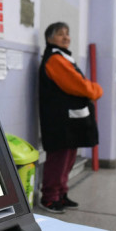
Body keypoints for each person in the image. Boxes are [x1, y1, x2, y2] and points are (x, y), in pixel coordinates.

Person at [38, 22, 103, 214]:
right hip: (59, 121)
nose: (66, 37)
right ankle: (49, 198)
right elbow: (81, 87)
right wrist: (96, 89)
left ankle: (61, 194)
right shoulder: (55, 60)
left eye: (67, 33)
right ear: (50, 39)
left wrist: (90, 88)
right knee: (58, 160)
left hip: (70, 120)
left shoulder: (65, 58)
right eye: (60, 34)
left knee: (68, 159)